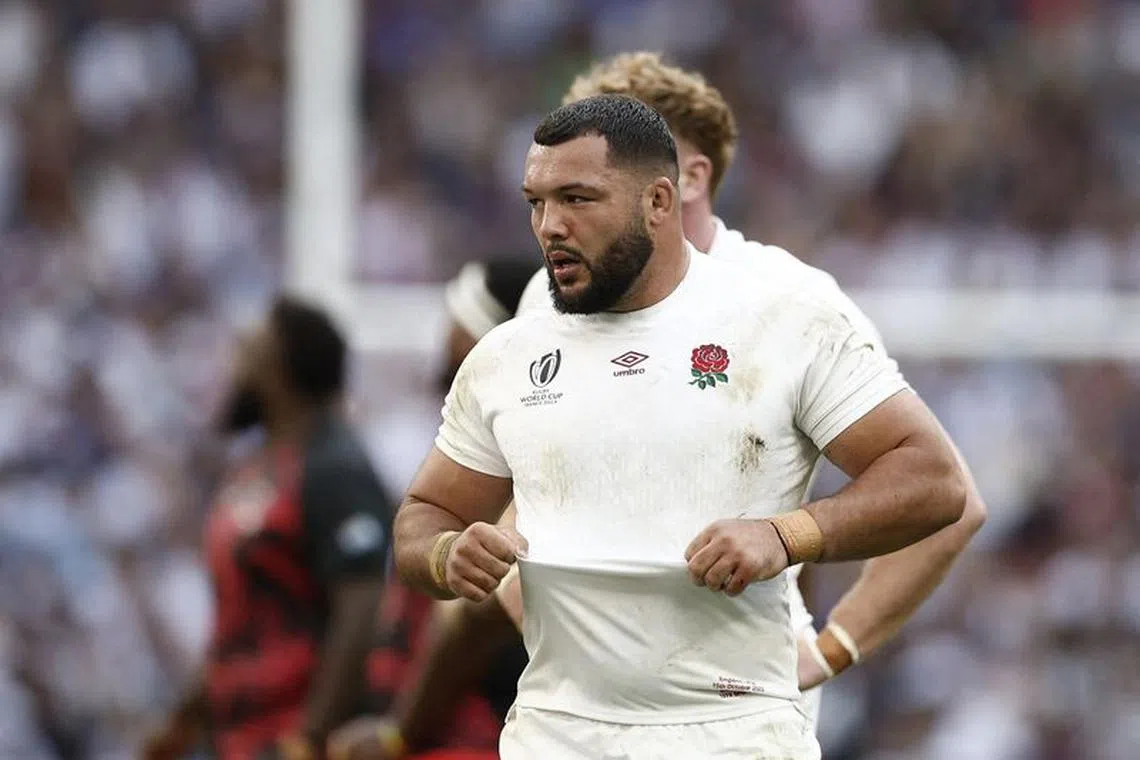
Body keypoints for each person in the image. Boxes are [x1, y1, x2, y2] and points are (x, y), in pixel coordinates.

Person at [392, 51, 989, 741]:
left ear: (667, 190)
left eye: (578, 196)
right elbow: (451, 511)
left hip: (731, 719)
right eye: (538, 202)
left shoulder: (787, 309)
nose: (551, 225)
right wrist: (454, 559)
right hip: (560, 731)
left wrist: (823, 622)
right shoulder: (531, 324)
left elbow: (941, 489)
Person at [141, 296, 394, 760]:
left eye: (248, 350)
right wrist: (183, 722)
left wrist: (310, 737)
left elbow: (360, 608)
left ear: (281, 367)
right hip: (236, 737)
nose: (235, 366)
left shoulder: (335, 466)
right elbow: (237, 622)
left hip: (291, 734)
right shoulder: (255, 469)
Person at [328, 260, 534, 760]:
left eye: (456, 317)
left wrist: (400, 733)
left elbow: (476, 623)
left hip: (474, 732)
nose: (443, 332)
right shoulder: (460, 450)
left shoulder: (521, 462)